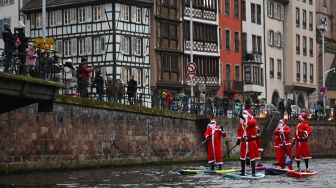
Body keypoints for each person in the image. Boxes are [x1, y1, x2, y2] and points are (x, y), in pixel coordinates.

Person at [236, 109, 260, 176]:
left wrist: (243, 118)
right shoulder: (242, 122)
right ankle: (243, 172)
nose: (243, 114)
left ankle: (253, 173)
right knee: (242, 157)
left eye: (245, 113)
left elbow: (249, 123)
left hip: (251, 142)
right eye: (243, 113)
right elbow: (239, 130)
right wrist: (238, 139)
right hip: (243, 142)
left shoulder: (253, 120)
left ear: (249, 115)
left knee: (252, 158)